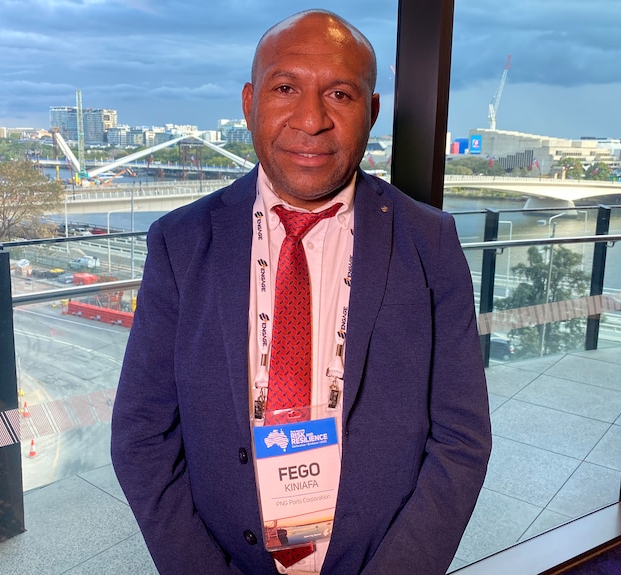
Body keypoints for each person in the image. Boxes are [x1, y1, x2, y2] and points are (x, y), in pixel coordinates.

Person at [111, 9, 491, 575]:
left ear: (372, 111)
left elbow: (462, 439)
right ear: (249, 102)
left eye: (339, 94)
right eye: (286, 87)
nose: (311, 120)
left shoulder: (428, 242)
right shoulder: (182, 242)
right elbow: (141, 434)